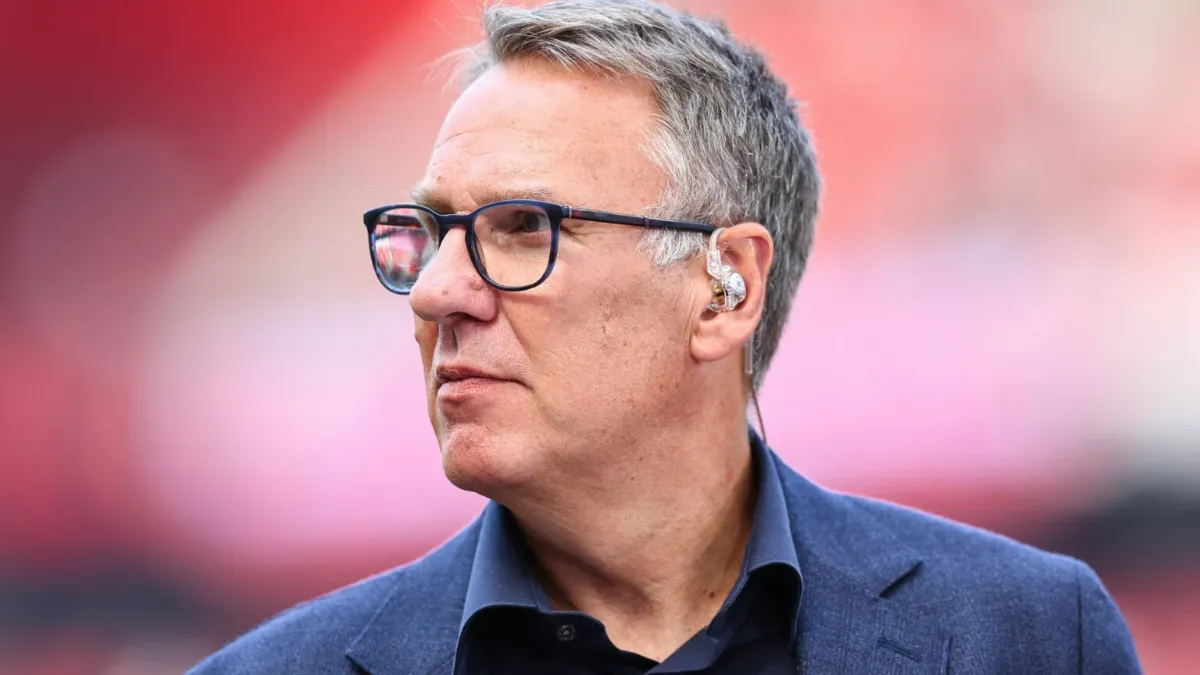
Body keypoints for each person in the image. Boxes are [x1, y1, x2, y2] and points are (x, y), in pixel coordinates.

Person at [188, 1, 1143, 673]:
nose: (437, 290)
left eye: (522, 227)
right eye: (430, 232)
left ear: (726, 288)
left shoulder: (1030, 636)